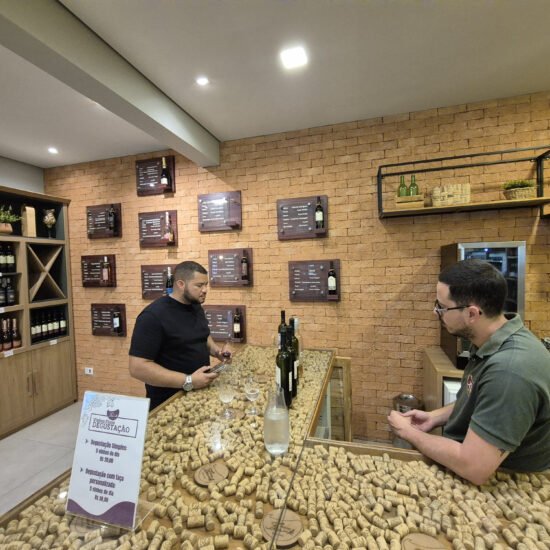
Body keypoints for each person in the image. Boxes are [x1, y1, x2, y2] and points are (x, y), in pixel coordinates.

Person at [388, 259, 550, 485]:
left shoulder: (509, 371)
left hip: (507, 483)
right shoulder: (492, 341)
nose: (436, 312)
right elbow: (482, 400)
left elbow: (474, 466)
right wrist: (434, 417)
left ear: (472, 314)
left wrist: (409, 433)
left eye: (442, 307)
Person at [129, 260, 231, 410]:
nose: (205, 290)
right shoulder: (153, 316)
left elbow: (202, 336)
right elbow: (137, 367)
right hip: (168, 403)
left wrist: (217, 351)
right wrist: (188, 380)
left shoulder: (195, 306)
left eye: (206, 284)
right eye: (199, 285)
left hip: (199, 394)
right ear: (181, 284)